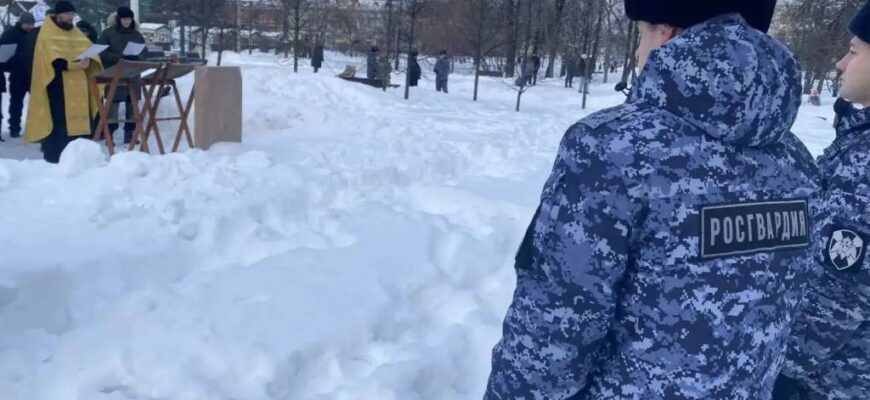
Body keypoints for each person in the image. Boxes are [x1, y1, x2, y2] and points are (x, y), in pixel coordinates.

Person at [484, 1, 819, 399]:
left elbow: (555, 324)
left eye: (641, 33)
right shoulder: (797, 160)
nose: (636, 52)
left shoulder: (613, 148)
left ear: (666, 33)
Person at [773, 2, 870, 399]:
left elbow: (840, 289)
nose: (841, 64)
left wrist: (783, 370)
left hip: (832, 381)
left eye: (854, 52)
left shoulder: (866, 162)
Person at [25, 1, 103, 163]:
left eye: (72, 14)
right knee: (60, 123)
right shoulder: (47, 33)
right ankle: (56, 158)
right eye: (67, 14)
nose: (70, 18)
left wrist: (90, 61)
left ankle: (80, 157)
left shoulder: (75, 33)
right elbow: (51, 62)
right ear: (59, 14)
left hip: (79, 86)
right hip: (58, 86)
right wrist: (76, 65)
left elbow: (88, 51)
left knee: (83, 121)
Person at [98, 7, 146, 144]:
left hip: (133, 74)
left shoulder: (137, 34)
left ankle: (130, 134)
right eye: (124, 19)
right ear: (119, 19)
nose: (127, 21)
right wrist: (119, 57)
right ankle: (109, 135)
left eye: (129, 19)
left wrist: (137, 57)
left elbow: (144, 52)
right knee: (112, 104)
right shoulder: (108, 33)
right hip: (114, 72)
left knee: (133, 104)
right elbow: (101, 52)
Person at [0, 12, 35, 140]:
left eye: (31, 24)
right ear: (21, 22)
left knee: (37, 102)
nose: (29, 26)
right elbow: (3, 55)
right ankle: (14, 128)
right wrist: (15, 61)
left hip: (32, 73)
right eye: (27, 24)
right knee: (16, 102)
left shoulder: (34, 34)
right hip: (17, 74)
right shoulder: (10, 34)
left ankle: (36, 127)